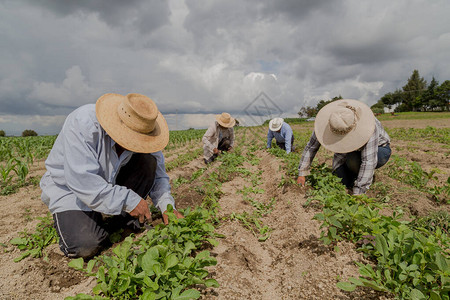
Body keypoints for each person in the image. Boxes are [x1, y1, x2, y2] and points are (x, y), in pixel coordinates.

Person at [40, 93, 184, 258]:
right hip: (71, 190)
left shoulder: (146, 133)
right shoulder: (83, 124)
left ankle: (118, 220)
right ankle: (80, 221)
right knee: (86, 245)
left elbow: (159, 176)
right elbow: (82, 182)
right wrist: (129, 200)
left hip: (109, 183)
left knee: (148, 161)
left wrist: (167, 207)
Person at [297, 99, 391, 195]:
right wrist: (302, 173)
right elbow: (311, 147)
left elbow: (369, 161)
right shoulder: (331, 120)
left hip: (380, 150)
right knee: (341, 180)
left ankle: (361, 177)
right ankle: (356, 175)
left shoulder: (369, 126)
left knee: (353, 160)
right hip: (351, 152)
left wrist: (358, 193)